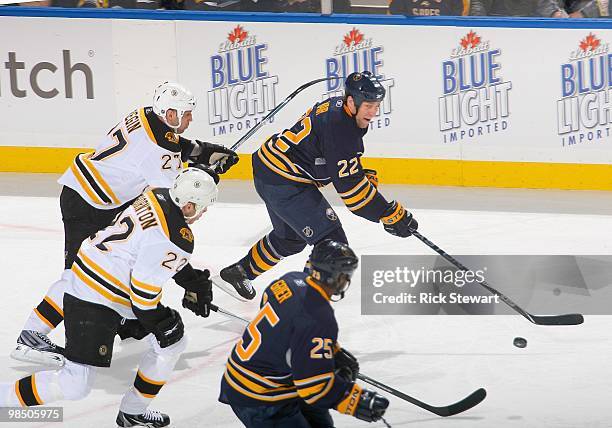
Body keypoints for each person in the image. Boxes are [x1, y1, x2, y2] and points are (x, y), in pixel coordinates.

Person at [11, 81, 238, 367]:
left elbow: (168, 144)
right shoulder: (160, 150)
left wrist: (201, 151)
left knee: (116, 261)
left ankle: (126, 322)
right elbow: (175, 199)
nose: (190, 119)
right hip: (88, 205)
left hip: (92, 196)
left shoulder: (145, 114)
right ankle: (31, 335)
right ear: (169, 113)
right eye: (186, 114)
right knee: (80, 275)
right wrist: (205, 175)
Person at [0, 168, 217, 428]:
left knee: (173, 344)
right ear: (189, 206)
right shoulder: (176, 238)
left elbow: (149, 247)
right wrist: (164, 321)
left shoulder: (156, 196)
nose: (204, 213)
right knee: (74, 384)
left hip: (95, 277)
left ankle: (132, 412)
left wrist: (193, 283)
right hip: (95, 298)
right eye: (203, 207)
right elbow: (144, 299)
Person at [217, 71, 418, 301]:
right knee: (333, 247)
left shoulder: (339, 110)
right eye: (369, 105)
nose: (373, 112)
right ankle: (299, 308)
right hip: (284, 179)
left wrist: (358, 177)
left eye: (376, 105)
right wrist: (388, 212)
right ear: (351, 101)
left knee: (291, 238)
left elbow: (330, 160)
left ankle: (241, 271)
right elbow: (352, 195)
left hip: (270, 169)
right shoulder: (341, 127)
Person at [219, 240, 389, 427]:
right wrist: (356, 400)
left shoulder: (289, 281)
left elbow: (277, 312)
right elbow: (313, 387)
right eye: (344, 276)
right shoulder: (319, 318)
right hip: (261, 397)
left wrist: (331, 350)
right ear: (332, 277)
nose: (346, 281)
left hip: (249, 376)